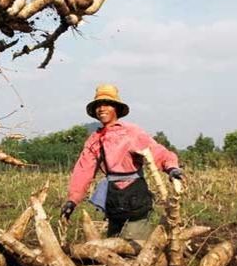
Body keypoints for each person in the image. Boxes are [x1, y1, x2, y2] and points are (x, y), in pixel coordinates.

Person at [60, 84, 182, 239]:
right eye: (98, 105)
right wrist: (72, 200)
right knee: (113, 243)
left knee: (134, 246)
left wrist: (172, 168)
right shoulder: (94, 139)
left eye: (107, 104)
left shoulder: (131, 132)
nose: (101, 109)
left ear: (116, 108)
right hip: (113, 198)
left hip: (134, 196)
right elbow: (83, 170)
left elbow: (157, 151)